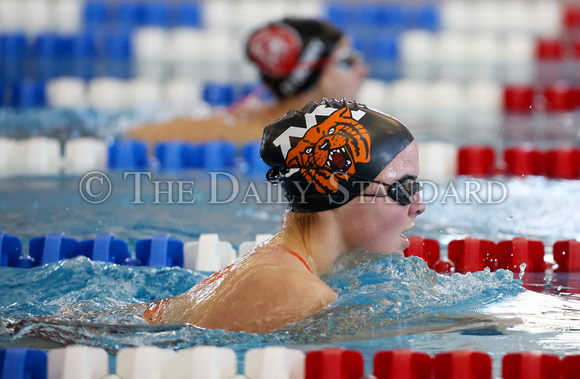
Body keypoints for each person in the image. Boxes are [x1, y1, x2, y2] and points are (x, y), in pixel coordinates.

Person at [133, 99, 426, 333]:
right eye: (405, 187)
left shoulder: (279, 266)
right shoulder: (299, 294)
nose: (419, 204)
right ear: (339, 188)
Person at [126, 18, 369, 145]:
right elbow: (134, 135)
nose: (363, 69)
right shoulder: (256, 134)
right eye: (348, 60)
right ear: (315, 73)